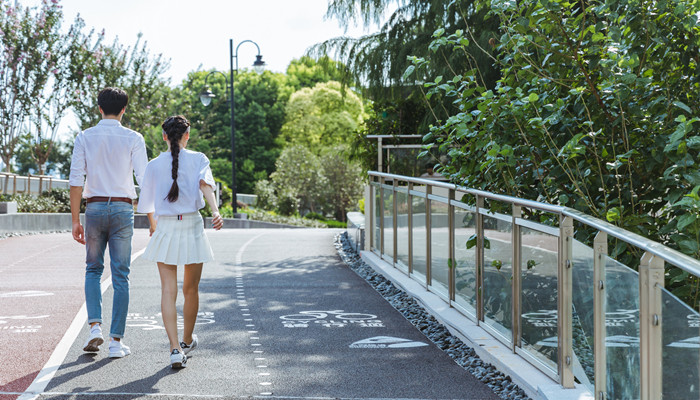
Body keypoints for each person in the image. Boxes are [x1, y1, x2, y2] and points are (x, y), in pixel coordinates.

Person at [137, 115, 223, 369]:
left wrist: (154, 226)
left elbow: (147, 205)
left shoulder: (153, 165)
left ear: (164, 136)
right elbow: (206, 186)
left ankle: (175, 348)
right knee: (191, 289)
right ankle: (186, 340)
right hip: (193, 225)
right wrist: (215, 211)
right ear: (188, 135)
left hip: (165, 226)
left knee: (168, 290)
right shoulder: (199, 159)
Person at [69, 87, 148, 358]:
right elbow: (144, 178)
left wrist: (75, 220)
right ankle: (116, 342)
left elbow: (76, 180)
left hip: (94, 208)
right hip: (123, 210)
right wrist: (152, 216)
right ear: (124, 109)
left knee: (93, 269)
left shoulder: (84, 137)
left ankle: (94, 328)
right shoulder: (133, 138)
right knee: (121, 275)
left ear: (99, 108)